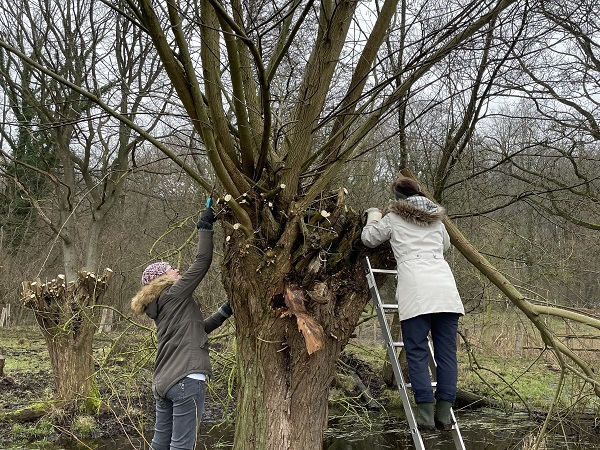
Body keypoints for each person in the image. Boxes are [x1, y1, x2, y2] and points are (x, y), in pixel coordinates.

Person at [361, 176, 464, 432]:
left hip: (417, 290)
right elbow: (446, 245)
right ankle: (444, 415)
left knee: (416, 351)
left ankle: (426, 416)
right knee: (447, 355)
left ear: (398, 197)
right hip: (446, 291)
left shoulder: (394, 217)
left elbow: (369, 238)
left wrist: (374, 215)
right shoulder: (437, 220)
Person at [131, 207, 233, 450]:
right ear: (162, 279)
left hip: (163, 383)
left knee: (161, 443)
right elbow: (203, 261)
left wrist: (224, 313)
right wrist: (205, 227)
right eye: (170, 269)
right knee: (181, 446)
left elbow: (197, 329)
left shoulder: (159, 307)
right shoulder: (175, 292)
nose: (176, 270)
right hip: (187, 379)